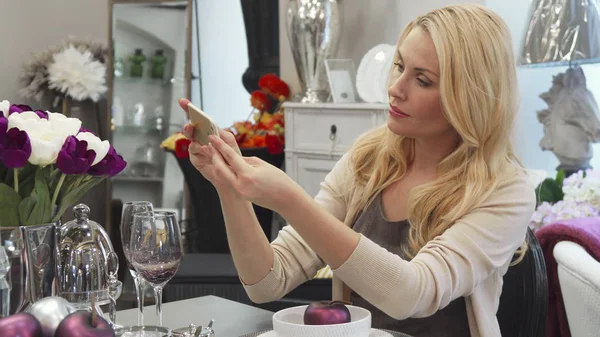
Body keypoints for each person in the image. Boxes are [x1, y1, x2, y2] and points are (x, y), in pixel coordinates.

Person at [179, 4, 535, 337]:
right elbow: (265, 283)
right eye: (399, 66)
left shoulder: (505, 189)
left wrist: (291, 200)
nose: (395, 89)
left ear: (468, 96)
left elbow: (413, 294)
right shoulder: (369, 158)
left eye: (422, 80)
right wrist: (228, 185)